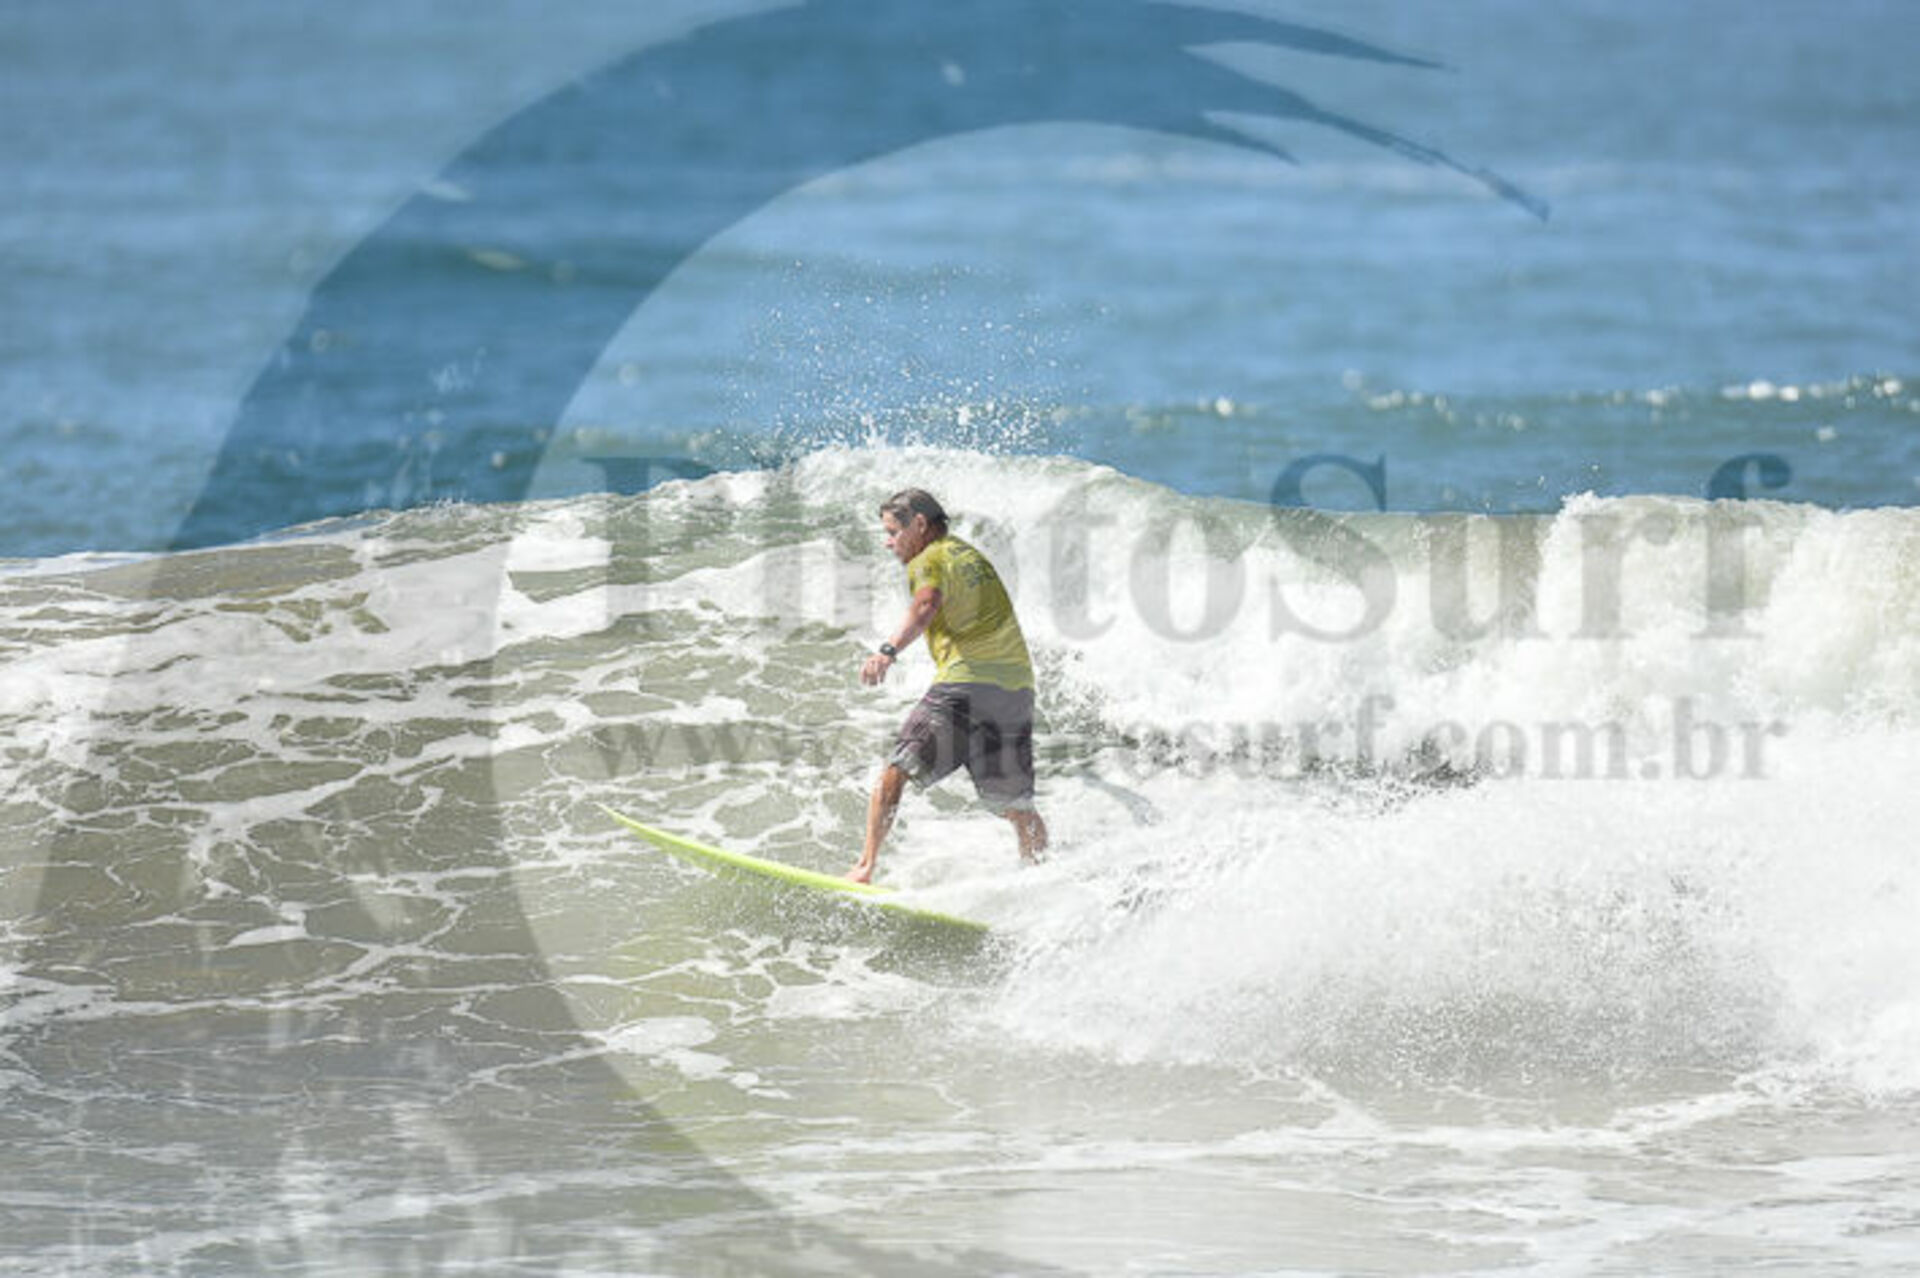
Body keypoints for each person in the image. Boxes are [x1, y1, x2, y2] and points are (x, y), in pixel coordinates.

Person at [846, 488, 1049, 883]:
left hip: (967, 683)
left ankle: (864, 868)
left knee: (896, 769)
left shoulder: (929, 557)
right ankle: (1039, 877)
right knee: (1017, 805)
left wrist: (887, 651)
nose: (889, 543)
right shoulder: (969, 556)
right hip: (1016, 691)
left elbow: (926, 604)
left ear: (920, 524)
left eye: (893, 532)